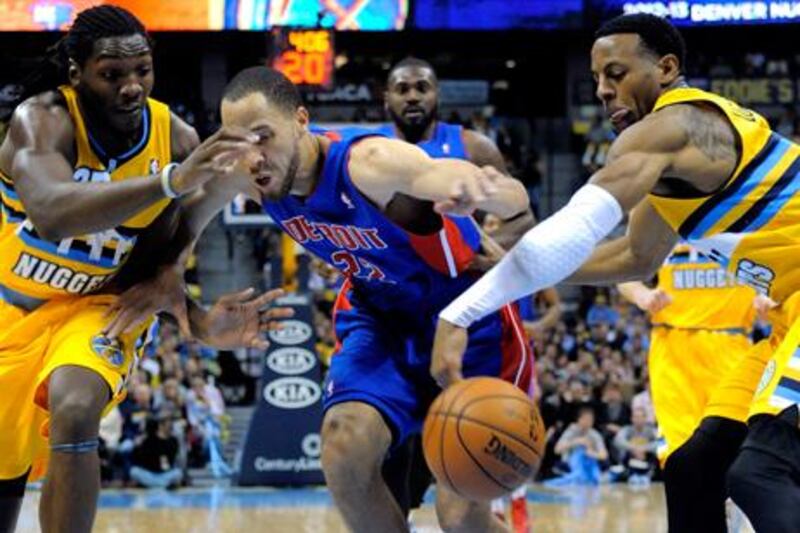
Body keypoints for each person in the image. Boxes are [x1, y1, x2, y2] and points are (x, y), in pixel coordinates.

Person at [432, 13, 800, 532]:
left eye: (617, 73)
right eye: (598, 79)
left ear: (667, 68)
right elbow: (636, 256)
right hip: (789, 320)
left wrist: (460, 313)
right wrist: (517, 269)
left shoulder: (672, 127)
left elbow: (577, 229)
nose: (604, 90)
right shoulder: (672, 167)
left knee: (760, 473)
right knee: (693, 467)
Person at [144, 64, 530, 532]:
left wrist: (488, 193)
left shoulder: (370, 163)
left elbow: (513, 198)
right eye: (238, 142)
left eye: (264, 136)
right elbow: (173, 239)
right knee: (342, 447)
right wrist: (200, 322)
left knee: (460, 514)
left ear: (301, 121)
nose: (254, 157)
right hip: (380, 319)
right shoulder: (246, 175)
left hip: (467, 323)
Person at [0, 6, 289, 532]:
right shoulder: (40, 121)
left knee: (76, 400)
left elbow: (175, 240)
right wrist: (169, 183)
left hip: (96, 307)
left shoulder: (172, 137)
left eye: (143, 71)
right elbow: (51, 213)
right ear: (76, 73)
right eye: (112, 75)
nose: (132, 87)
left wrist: (190, 306)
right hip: (9, 310)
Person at [377, 57, 536, 530]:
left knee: (461, 506)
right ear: (386, 98)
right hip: (397, 327)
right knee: (388, 495)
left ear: (436, 96)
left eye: (421, 87)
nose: (412, 97)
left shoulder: (471, 146)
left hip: (467, 328)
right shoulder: (369, 154)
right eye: (402, 88)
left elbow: (520, 217)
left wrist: (493, 249)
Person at [617, 242, 768, 522]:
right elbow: (623, 270)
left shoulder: (747, 217)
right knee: (680, 461)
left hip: (732, 348)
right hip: (674, 351)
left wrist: (769, 296)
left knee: (737, 460)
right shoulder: (666, 214)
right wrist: (643, 295)